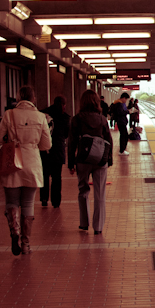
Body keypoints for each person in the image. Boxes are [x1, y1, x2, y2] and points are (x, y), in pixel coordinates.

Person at [0, 85, 52, 255]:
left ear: (18, 98)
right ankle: (26, 244)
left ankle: (15, 232)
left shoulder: (9, 114)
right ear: (33, 98)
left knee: (12, 202)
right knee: (28, 203)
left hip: (12, 162)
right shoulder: (41, 117)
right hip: (32, 163)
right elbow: (46, 145)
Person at [67, 90, 114, 235]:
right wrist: (109, 159)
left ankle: (84, 223)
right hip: (100, 160)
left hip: (83, 159)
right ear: (96, 102)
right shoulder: (102, 119)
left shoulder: (76, 119)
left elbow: (72, 142)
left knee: (83, 190)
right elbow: (109, 140)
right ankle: (98, 227)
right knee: (100, 193)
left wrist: (71, 163)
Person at [40, 96, 71, 208]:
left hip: (45, 149)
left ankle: (44, 198)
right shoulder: (65, 118)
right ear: (63, 105)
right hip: (58, 149)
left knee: (44, 175)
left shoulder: (44, 114)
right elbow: (66, 134)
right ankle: (56, 201)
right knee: (57, 176)